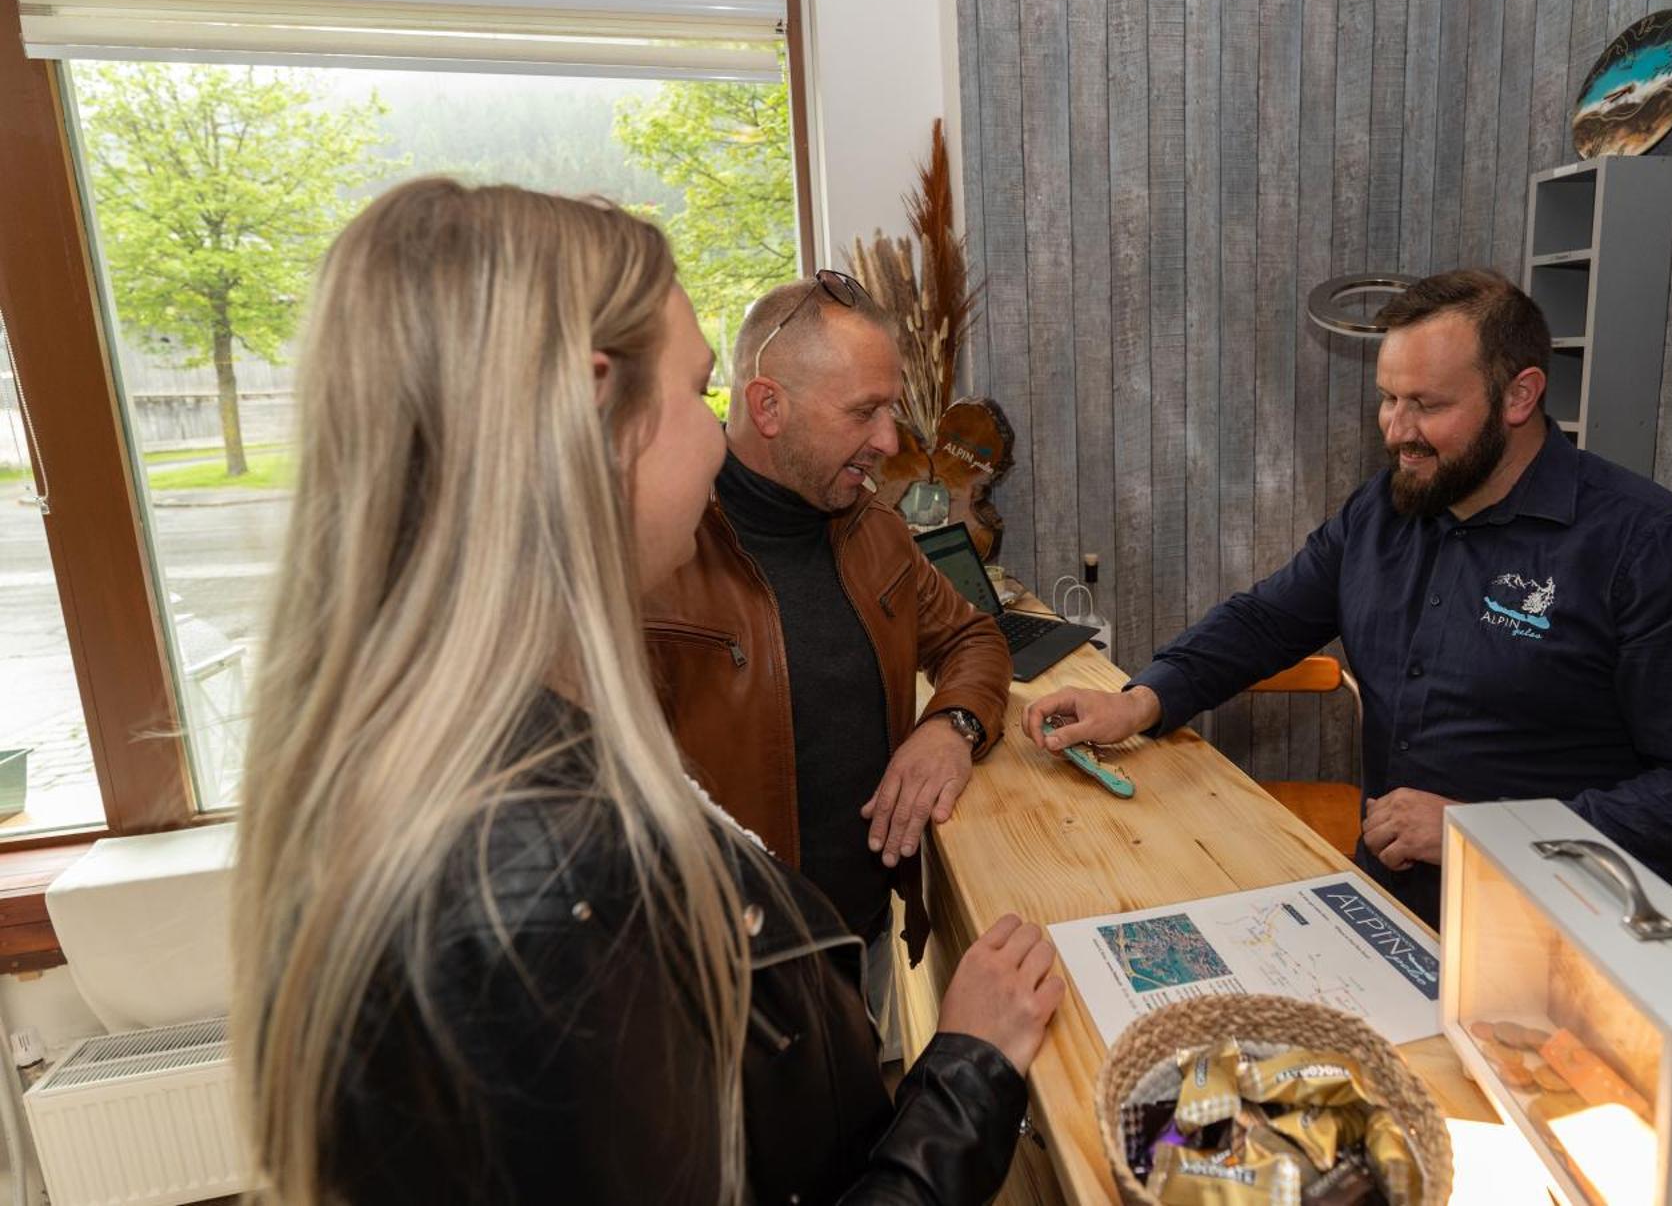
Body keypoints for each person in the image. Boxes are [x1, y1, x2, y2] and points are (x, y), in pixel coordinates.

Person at [232, 179, 1061, 1204]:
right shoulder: (545, 899)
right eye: (695, 390)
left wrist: (948, 725)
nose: (712, 436)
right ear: (592, 412)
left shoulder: (498, 786)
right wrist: (967, 1070)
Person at [1025, 267, 1672, 925]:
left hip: (1560, 936)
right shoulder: (1385, 509)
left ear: (1520, 395)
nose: (1397, 431)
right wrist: (1143, 700)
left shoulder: (1662, 551)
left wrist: (1484, 831)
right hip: (1391, 903)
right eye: (1388, 400)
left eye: (1427, 405)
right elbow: (1266, 619)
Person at [644, 272, 1012, 1006]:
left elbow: (974, 635)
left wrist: (951, 723)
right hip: (729, 977)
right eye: (865, 412)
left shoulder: (874, 529)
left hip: (863, 941)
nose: (889, 441)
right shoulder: (655, 553)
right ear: (768, 405)